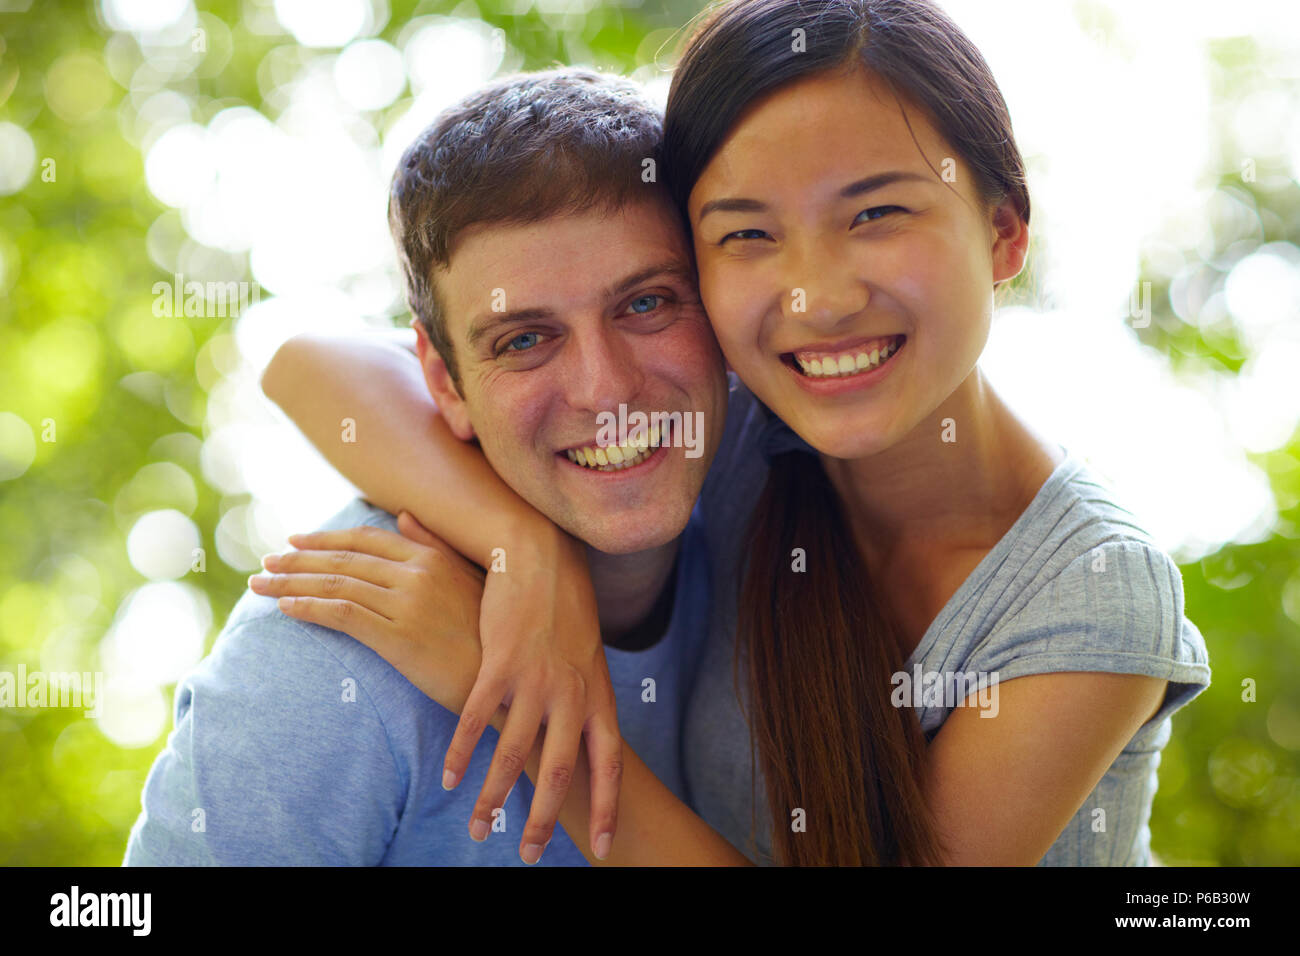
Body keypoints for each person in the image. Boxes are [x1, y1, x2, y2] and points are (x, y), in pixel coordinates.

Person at [263, 0, 1211, 865]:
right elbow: (312, 365)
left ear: (1004, 230)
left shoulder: (1091, 591)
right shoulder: (729, 419)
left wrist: (505, 684)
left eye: (875, 214)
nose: (820, 298)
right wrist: (522, 553)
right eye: (748, 235)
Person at [123, 68, 738, 866]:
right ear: (443, 382)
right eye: (524, 339)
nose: (606, 388)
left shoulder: (781, 495)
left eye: (647, 303)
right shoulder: (328, 662)